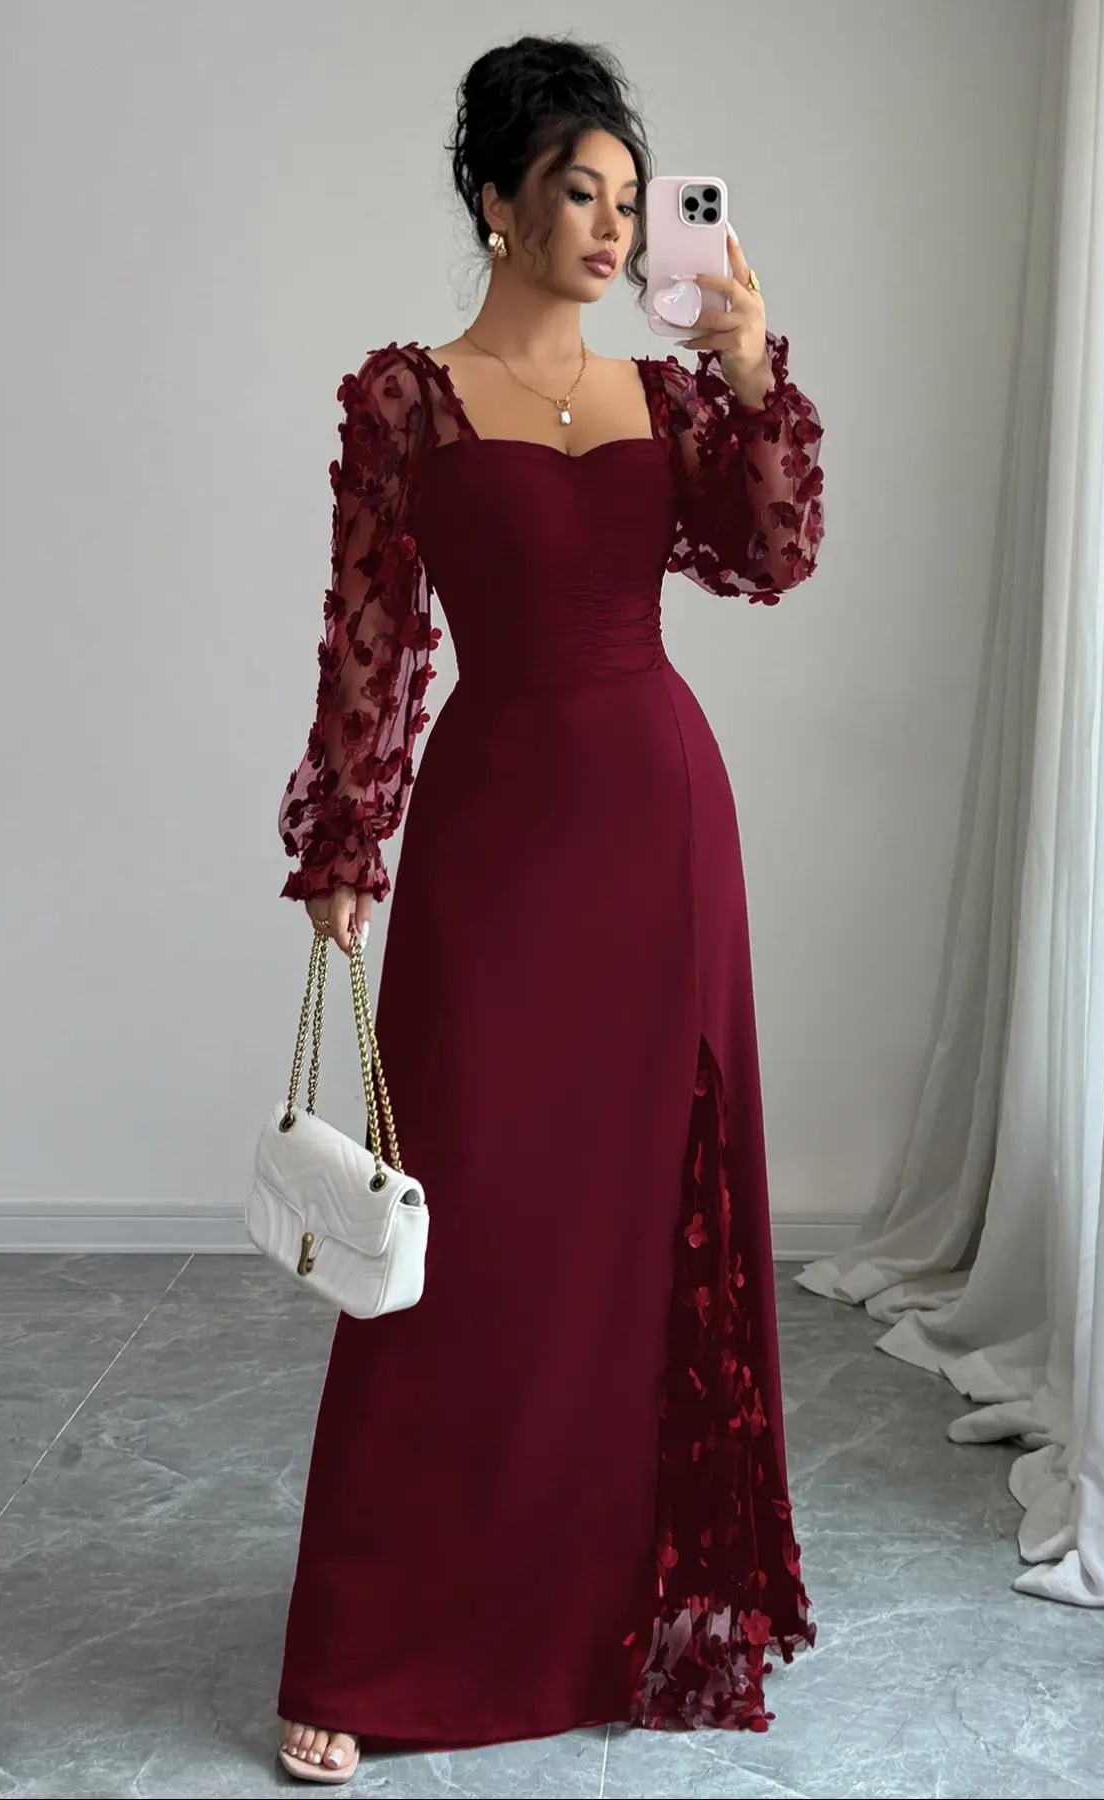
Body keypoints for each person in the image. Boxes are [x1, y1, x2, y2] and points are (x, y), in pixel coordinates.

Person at [273, 32, 825, 1787]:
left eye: (627, 198)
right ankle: (370, 1644)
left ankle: (610, 1614)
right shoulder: (409, 398)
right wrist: (346, 844)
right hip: (499, 833)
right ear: (495, 202)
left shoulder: (671, 395)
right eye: (575, 193)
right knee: (467, 1224)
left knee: (640, 1219)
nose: (609, 226)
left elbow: (769, 556)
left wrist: (746, 365)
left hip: (663, 827)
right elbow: (372, 633)